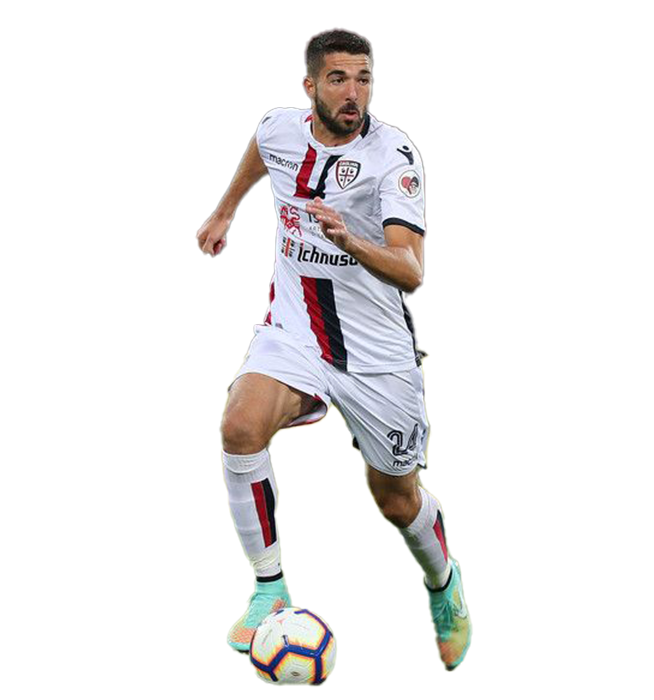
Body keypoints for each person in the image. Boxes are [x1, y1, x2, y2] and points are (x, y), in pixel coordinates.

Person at [196, 29, 472, 671]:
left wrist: (351, 241)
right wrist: (226, 210)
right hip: (295, 332)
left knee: (395, 499)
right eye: (340, 79)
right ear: (310, 86)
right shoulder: (281, 128)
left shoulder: (393, 158)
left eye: (364, 79)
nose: (354, 94)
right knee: (239, 427)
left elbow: (410, 271)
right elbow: (261, 148)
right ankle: (269, 589)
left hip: (377, 356)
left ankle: (443, 584)